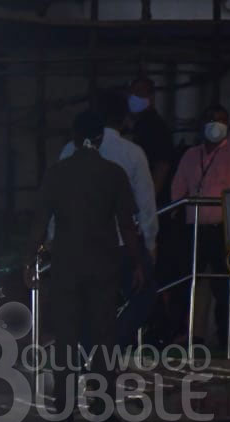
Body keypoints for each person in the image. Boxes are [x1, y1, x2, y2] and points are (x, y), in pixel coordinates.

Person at [29, 110, 145, 419]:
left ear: (75, 138)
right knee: (104, 335)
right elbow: (128, 225)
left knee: (66, 334)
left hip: (66, 263)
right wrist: (137, 262)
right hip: (103, 263)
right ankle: (102, 404)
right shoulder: (114, 173)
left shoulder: (57, 173)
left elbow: (40, 222)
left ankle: (64, 404)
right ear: (99, 138)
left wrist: (30, 260)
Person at [169, 89, 230, 348]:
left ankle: (226, 336)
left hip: (225, 228)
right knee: (189, 283)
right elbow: (178, 187)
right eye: (212, 119)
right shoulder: (191, 155)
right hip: (195, 227)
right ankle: (188, 334)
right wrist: (176, 209)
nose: (216, 125)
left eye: (222, 120)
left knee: (226, 286)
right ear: (202, 124)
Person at [58, 95, 158, 344]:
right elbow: (141, 207)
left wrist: (51, 240)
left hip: (77, 243)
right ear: (124, 119)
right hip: (118, 245)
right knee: (142, 294)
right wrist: (148, 244)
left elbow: (53, 199)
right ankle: (113, 342)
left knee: (85, 303)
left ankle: (88, 350)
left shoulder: (69, 151)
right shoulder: (131, 154)